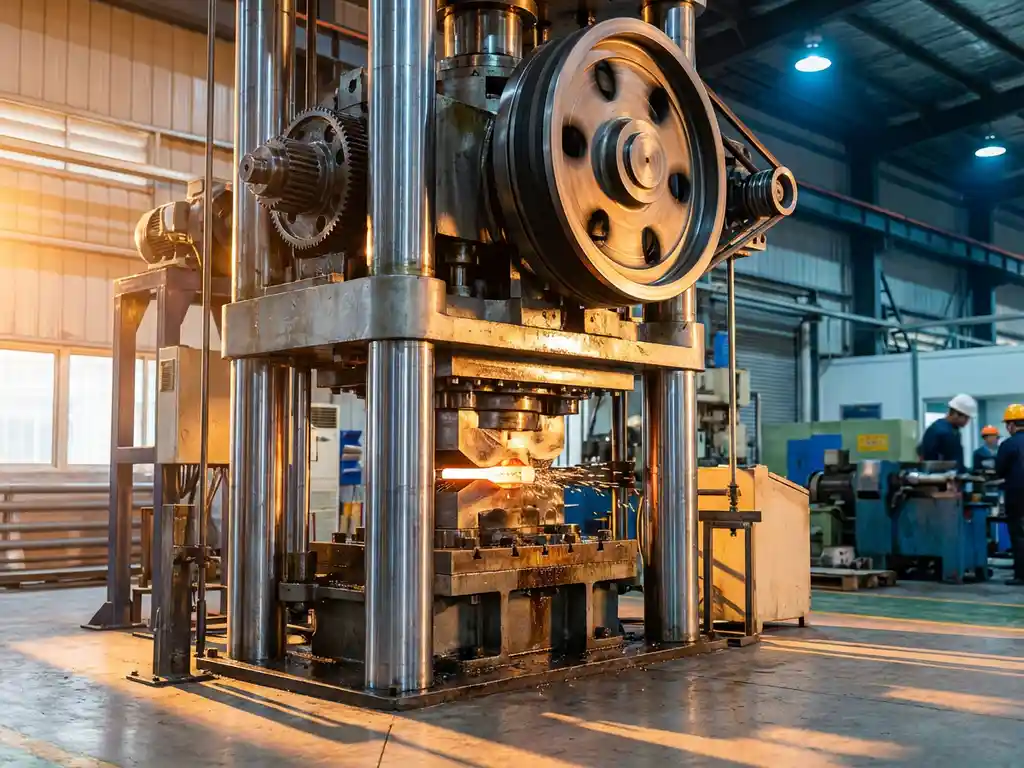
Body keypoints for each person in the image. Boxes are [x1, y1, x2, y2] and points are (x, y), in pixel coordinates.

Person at [996, 403, 1024, 586]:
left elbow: (999, 470)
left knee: (1019, 534)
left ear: (1011, 425)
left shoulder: (1008, 444)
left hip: (1017, 495)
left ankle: (1021, 575)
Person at [917, 393, 977, 472]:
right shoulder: (943, 432)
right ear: (955, 414)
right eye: (966, 418)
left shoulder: (952, 430)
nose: (967, 422)